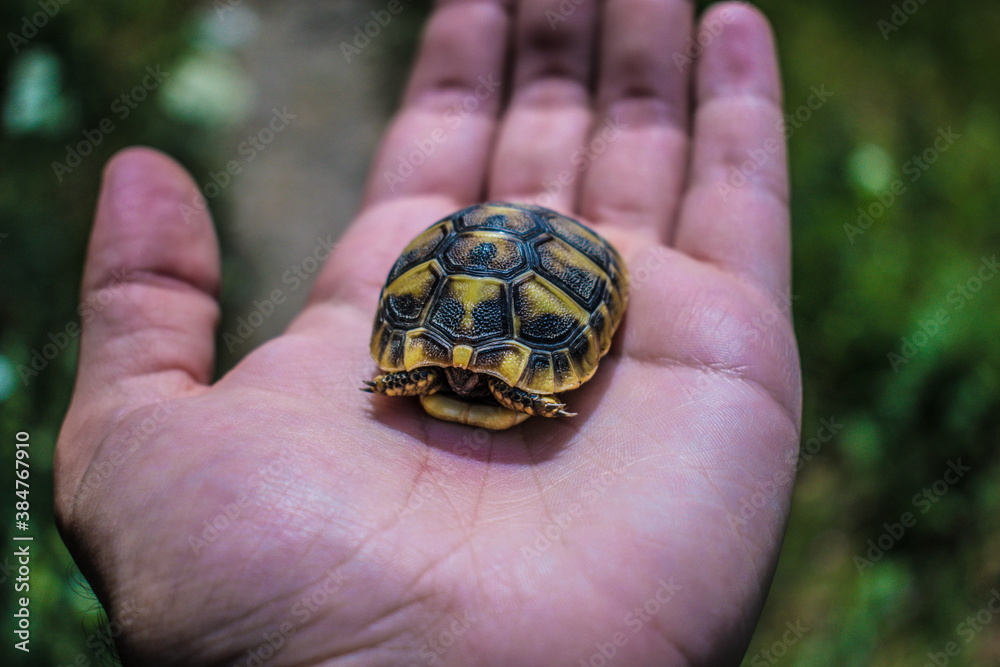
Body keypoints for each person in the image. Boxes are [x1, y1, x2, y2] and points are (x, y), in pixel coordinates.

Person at [55, 1, 800, 664]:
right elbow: (414, 375)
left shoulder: (496, 385)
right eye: (462, 374)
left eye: (479, 377)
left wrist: (511, 387)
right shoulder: (425, 378)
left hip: (556, 264)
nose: (470, 377)